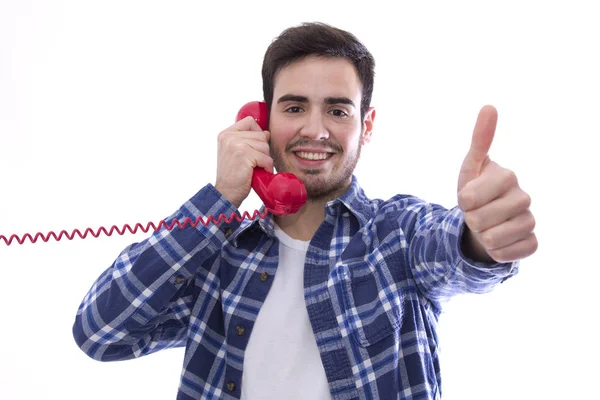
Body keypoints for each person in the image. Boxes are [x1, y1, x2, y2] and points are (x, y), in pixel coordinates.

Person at [72, 22, 538, 400]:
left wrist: (482, 239)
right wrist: (220, 199)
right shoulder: (218, 255)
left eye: (338, 111)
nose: (315, 130)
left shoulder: (399, 233)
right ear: (261, 120)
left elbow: (453, 248)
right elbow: (101, 332)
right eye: (294, 107)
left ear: (366, 126)